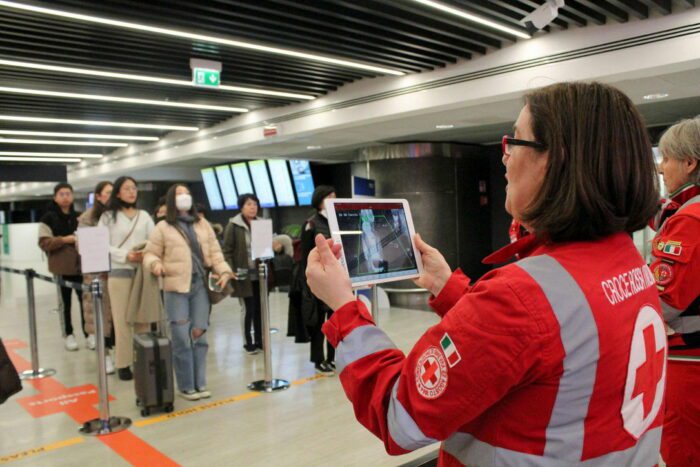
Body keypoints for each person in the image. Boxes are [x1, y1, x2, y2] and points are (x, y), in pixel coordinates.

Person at [306, 82, 665, 465]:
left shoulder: (521, 296)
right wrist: (448, 288)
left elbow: (402, 416)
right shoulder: (626, 261)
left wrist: (344, 307)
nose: (505, 157)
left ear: (555, 160)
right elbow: (542, 345)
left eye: (516, 142)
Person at [144, 184, 232, 400]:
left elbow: (215, 253)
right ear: (171, 200)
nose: (184, 197)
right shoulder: (163, 227)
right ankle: (186, 385)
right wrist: (156, 265)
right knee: (182, 337)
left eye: (187, 194)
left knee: (199, 333)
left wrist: (224, 271)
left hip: (200, 285)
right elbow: (150, 254)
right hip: (175, 288)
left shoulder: (203, 224)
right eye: (179, 194)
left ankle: (200, 382)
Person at [651, 117, 700, 467]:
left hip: (688, 363)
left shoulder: (690, 220)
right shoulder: (683, 212)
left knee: (683, 452)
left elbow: (662, 302)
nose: (661, 166)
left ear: (689, 163)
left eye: (667, 158)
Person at [99, 176, 154, 381]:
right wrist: (125, 256)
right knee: (122, 320)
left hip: (143, 272)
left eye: (134, 188)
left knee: (143, 319)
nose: (132, 192)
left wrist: (144, 254)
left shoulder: (145, 216)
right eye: (126, 188)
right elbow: (101, 244)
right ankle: (123, 363)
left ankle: (144, 359)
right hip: (119, 272)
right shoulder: (108, 217)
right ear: (118, 193)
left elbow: (154, 239)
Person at [38, 183, 85, 351]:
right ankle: (69, 334)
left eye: (68, 193)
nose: (65, 196)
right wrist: (65, 240)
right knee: (64, 303)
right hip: (61, 268)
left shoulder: (79, 217)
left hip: (81, 266)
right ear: (55, 197)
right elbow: (44, 243)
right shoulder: (48, 219)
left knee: (85, 301)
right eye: (61, 194)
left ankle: (89, 334)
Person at [78, 181, 115, 373]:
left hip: (119, 273)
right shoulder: (88, 218)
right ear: (98, 196)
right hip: (98, 275)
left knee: (117, 319)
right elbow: (84, 247)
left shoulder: (119, 215)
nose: (111, 195)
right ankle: (105, 355)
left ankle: (120, 355)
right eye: (108, 192)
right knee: (101, 319)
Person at [300, 186, 337, 375]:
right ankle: (318, 359)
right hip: (317, 279)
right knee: (317, 323)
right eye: (329, 197)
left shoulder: (337, 221)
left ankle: (332, 357)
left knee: (334, 320)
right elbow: (304, 255)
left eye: (334, 196)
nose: (333, 199)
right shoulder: (312, 224)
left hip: (334, 278)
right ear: (320, 200)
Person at [223, 193, 264, 354]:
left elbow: (265, 250)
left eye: (255, 204)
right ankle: (248, 342)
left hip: (260, 274)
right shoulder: (233, 225)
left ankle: (261, 340)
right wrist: (231, 270)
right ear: (241, 207)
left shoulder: (261, 224)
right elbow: (227, 251)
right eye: (248, 204)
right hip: (242, 275)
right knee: (248, 309)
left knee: (261, 309)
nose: (253, 207)